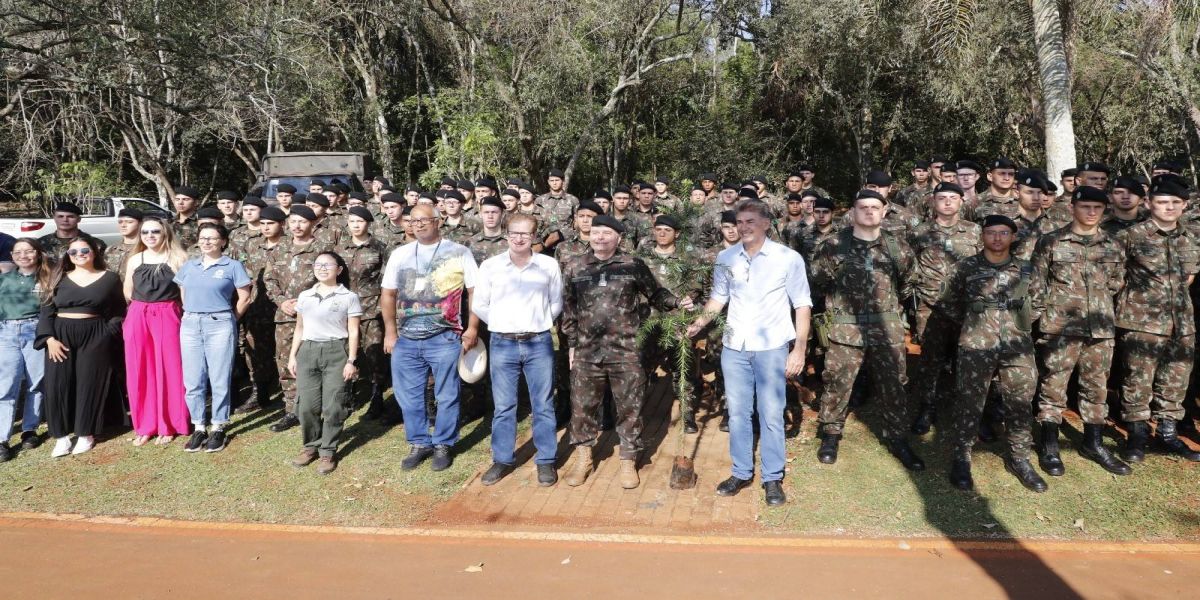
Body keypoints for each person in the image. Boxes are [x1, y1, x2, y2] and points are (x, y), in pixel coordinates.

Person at [686, 200, 811, 506]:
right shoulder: (727, 257)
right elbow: (718, 299)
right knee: (739, 412)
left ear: (767, 224)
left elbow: (802, 304)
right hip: (735, 348)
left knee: (770, 414)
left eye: (750, 221)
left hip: (771, 348)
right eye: (740, 222)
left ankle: (772, 478)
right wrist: (697, 324)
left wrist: (799, 349)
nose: (743, 227)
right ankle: (741, 471)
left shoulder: (787, 258)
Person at [560, 215, 691, 489]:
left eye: (606, 233)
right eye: (596, 233)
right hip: (587, 351)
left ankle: (628, 459)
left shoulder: (632, 265)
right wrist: (572, 344)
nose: (600, 238)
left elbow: (656, 294)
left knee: (629, 406)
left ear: (618, 238)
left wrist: (678, 302)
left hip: (626, 350)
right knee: (583, 407)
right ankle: (584, 457)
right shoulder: (575, 266)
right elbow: (569, 308)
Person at [809, 189, 925, 471]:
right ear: (853, 211)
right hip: (846, 331)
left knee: (894, 385)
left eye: (875, 207)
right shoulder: (833, 245)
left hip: (887, 330)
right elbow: (818, 281)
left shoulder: (898, 248)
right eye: (863, 207)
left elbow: (909, 283)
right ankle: (831, 434)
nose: (870, 211)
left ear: (884, 212)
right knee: (837, 382)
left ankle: (897, 437)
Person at [938, 215, 1047, 492]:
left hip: (1017, 347)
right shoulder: (966, 267)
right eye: (991, 233)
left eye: (1003, 233)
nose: (997, 238)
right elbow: (948, 302)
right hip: (976, 344)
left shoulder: (1026, 269)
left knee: (1020, 402)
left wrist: (1018, 324)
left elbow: (1040, 302)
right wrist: (972, 323)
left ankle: (1019, 457)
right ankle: (962, 457)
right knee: (969, 402)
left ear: (1013, 236)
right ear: (982, 236)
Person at [1030, 186, 1130, 476]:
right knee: (1053, 386)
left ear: (1104, 210)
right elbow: (1038, 283)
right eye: (1085, 206)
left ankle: (1093, 443)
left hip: (1099, 328)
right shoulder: (1051, 241)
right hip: (1060, 327)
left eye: (1097, 208)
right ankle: (1049, 445)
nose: (1090, 212)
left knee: (1096, 386)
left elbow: (1116, 282)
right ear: (1072, 207)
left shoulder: (1112, 244)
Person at [381, 204, 480, 472]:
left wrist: (472, 328)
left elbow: (474, 292)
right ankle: (419, 442)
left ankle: (443, 444)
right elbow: (388, 294)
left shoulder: (459, 252)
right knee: (408, 394)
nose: (419, 224)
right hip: (406, 339)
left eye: (424, 219)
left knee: (447, 393)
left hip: (445, 336)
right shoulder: (400, 254)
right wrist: (390, 332)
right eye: (414, 220)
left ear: (438, 221)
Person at [472, 213, 564, 486]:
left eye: (525, 233)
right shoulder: (491, 266)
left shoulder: (548, 265)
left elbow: (556, 301)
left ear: (534, 236)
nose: (519, 238)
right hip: (502, 343)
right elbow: (480, 304)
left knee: (543, 405)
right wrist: (502, 323)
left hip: (538, 342)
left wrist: (538, 322)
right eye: (514, 233)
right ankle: (502, 459)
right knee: (504, 406)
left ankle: (546, 460)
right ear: (506, 234)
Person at [1114, 177, 1200, 462]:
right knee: (1138, 380)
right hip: (1141, 323)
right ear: (1150, 203)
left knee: (1176, 379)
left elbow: (1189, 277)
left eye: (1175, 203)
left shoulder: (1190, 238)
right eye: (1162, 202)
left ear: (1184, 205)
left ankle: (1167, 432)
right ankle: (1137, 436)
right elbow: (1114, 277)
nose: (1169, 207)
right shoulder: (1131, 236)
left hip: (1181, 322)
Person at [36, 237, 125, 457]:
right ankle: (61, 436)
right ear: (68, 255)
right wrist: (49, 339)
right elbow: (46, 311)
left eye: (85, 250)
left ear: (94, 252)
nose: (79, 255)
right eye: (73, 252)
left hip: (95, 334)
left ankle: (86, 433)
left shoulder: (110, 278)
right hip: (60, 335)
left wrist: (107, 333)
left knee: (90, 382)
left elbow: (119, 311)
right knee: (58, 384)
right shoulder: (58, 278)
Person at [908, 183, 981, 434]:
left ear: (962, 202)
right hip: (930, 307)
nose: (948, 202)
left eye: (953, 197)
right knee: (930, 360)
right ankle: (927, 407)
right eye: (942, 198)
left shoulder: (975, 231)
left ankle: (969, 411)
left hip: (967, 308)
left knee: (969, 360)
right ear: (933, 202)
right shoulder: (920, 232)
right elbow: (908, 264)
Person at [174, 224, 252, 453]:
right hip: (190, 324)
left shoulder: (233, 266)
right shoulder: (190, 266)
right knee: (193, 380)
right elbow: (183, 293)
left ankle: (218, 426)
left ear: (223, 242)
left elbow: (245, 297)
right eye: (203, 238)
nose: (207, 242)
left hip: (219, 324)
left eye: (212, 238)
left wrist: (230, 319)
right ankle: (199, 426)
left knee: (219, 378)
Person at [287, 252, 362, 475]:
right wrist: (293, 356)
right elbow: (299, 328)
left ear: (339, 269)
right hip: (308, 351)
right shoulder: (305, 296)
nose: (322, 268)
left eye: (328, 264)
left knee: (334, 404)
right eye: (318, 264)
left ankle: (328, 450)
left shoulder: (348, 296)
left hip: (336, 351)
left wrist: (351, 360)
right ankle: (310, 446)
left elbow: (353, 330)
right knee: (307, 405)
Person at [122, 217, 190, 446]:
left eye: (155, 232)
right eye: (145, 232)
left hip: (168, 314)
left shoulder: (178, 258)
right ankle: (145, 425)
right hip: (138, 315)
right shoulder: (134, 259)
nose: (150, 236)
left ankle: (169, 424)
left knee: (170, 369)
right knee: (139, 369)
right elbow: (128, 292)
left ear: (165, 233)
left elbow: (185, 293)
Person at [262, 206, 329, 432]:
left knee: (315, 363)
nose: (297, 226)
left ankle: (315, 408)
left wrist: (307, 302)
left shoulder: (323, 250)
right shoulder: (279, 248)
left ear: (312, 223)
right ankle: (292, 410)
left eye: (302, 221)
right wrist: (282, 301)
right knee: (285, 362)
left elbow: (331, 280)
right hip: (285, 316)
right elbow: (269, 280)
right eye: (293, 222)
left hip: (315, 316)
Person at [0, 239, 52, 460]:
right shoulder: (4, 279)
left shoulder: (47, 278)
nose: (23, 255)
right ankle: (2, 438)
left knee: (36, 382)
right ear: (12, 255)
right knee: (6, 384)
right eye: (18, 252)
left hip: (35, 330)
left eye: (29, 251)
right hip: (6, 332)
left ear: (38, 254)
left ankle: (30, 430)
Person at [334, 206, 389, 415]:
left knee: (374, 352)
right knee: (346, 351)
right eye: (352, 221)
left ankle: (377, 395)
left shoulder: (380, 248)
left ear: (368, 223)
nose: (356, 225)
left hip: (371, 306)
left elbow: (386, 280)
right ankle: (349, 393)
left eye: (360, 221)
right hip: (344, 307)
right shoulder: (339, 248)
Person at [37, 202, 106, 263]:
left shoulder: (96, 244)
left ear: (79, 219)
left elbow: (103, 268)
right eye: (60, 216)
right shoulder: (41, 244)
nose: (65, 220)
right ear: (54, 218)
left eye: (70, 217)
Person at [105, 208, 143, 276]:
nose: (123, 225)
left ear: (140, 223)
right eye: (120, 222)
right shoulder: (111, 249)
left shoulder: (145, 249)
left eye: (129, 222)